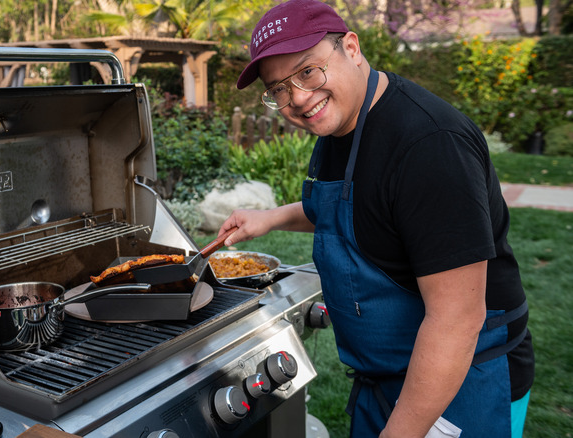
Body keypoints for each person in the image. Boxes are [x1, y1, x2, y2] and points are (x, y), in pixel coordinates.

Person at [218, 1, 534, 437]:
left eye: (308, 72)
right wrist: (267, 218)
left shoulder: (430, 147)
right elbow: (355, 212)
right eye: (279, 89)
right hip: (387, 379)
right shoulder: (340, 124)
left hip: (464, 378)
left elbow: (456, 321)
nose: (298, 99)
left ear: (351, 47)